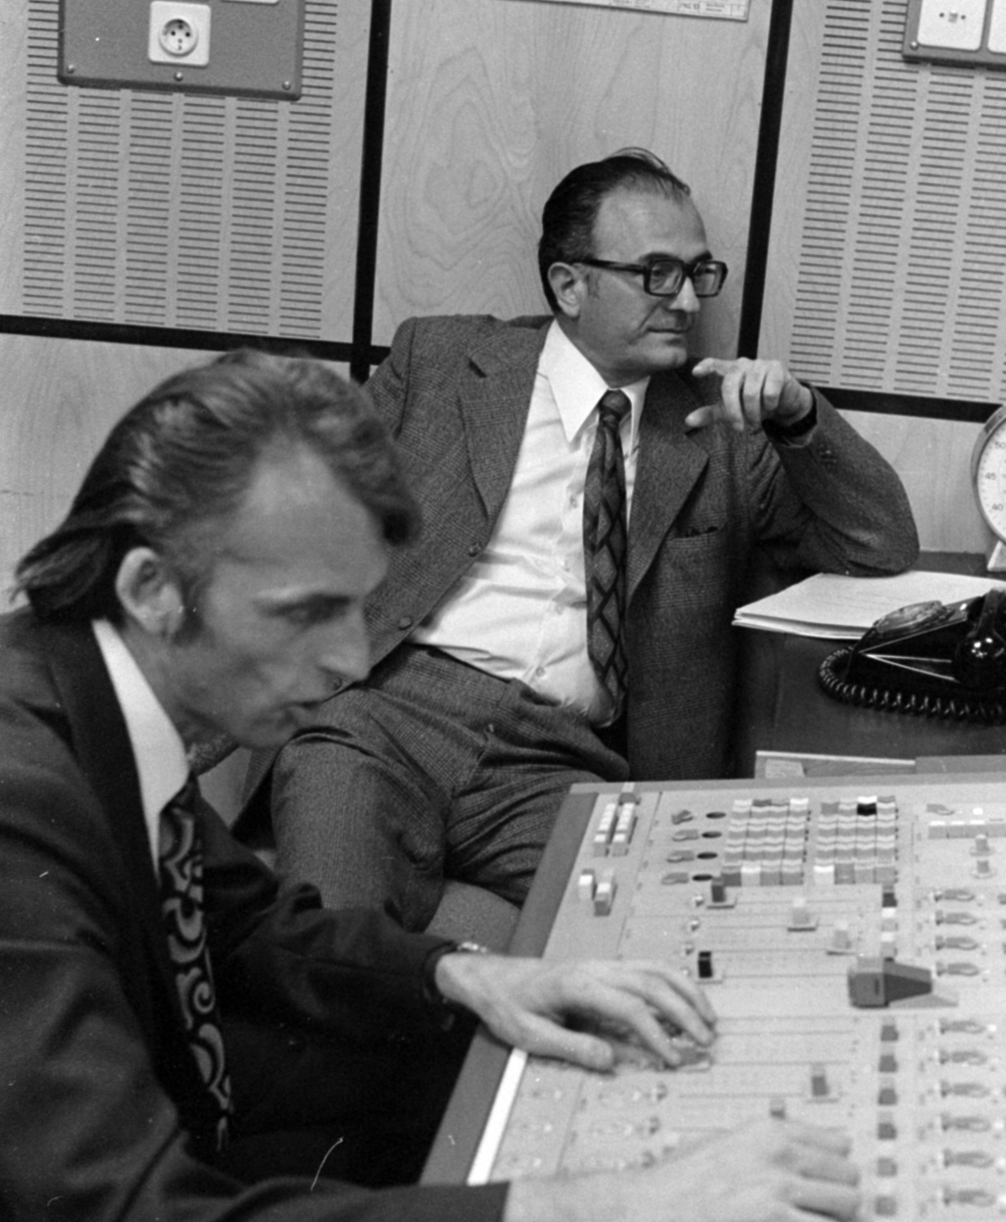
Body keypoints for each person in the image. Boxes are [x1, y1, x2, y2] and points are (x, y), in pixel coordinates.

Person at [0, 350, 860, 1222]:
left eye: (358, 606)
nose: (351, 660)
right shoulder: (19, 797)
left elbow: (244, 922)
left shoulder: (96, 694)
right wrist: (616, 1209)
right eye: (306, 613)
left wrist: (471, 974)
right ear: (154, 587)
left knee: (442, 1064)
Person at [255, 149, 919, 932]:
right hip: (389, 716)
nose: (684, 301)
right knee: (327, 943)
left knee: (666, 937)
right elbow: (305, 517)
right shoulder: (441, 361)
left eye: (697, 274)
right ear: (569, 285)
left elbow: (877, 545)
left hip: (562, 762)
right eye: (656, 273)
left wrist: (801, 416)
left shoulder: (724, 432)